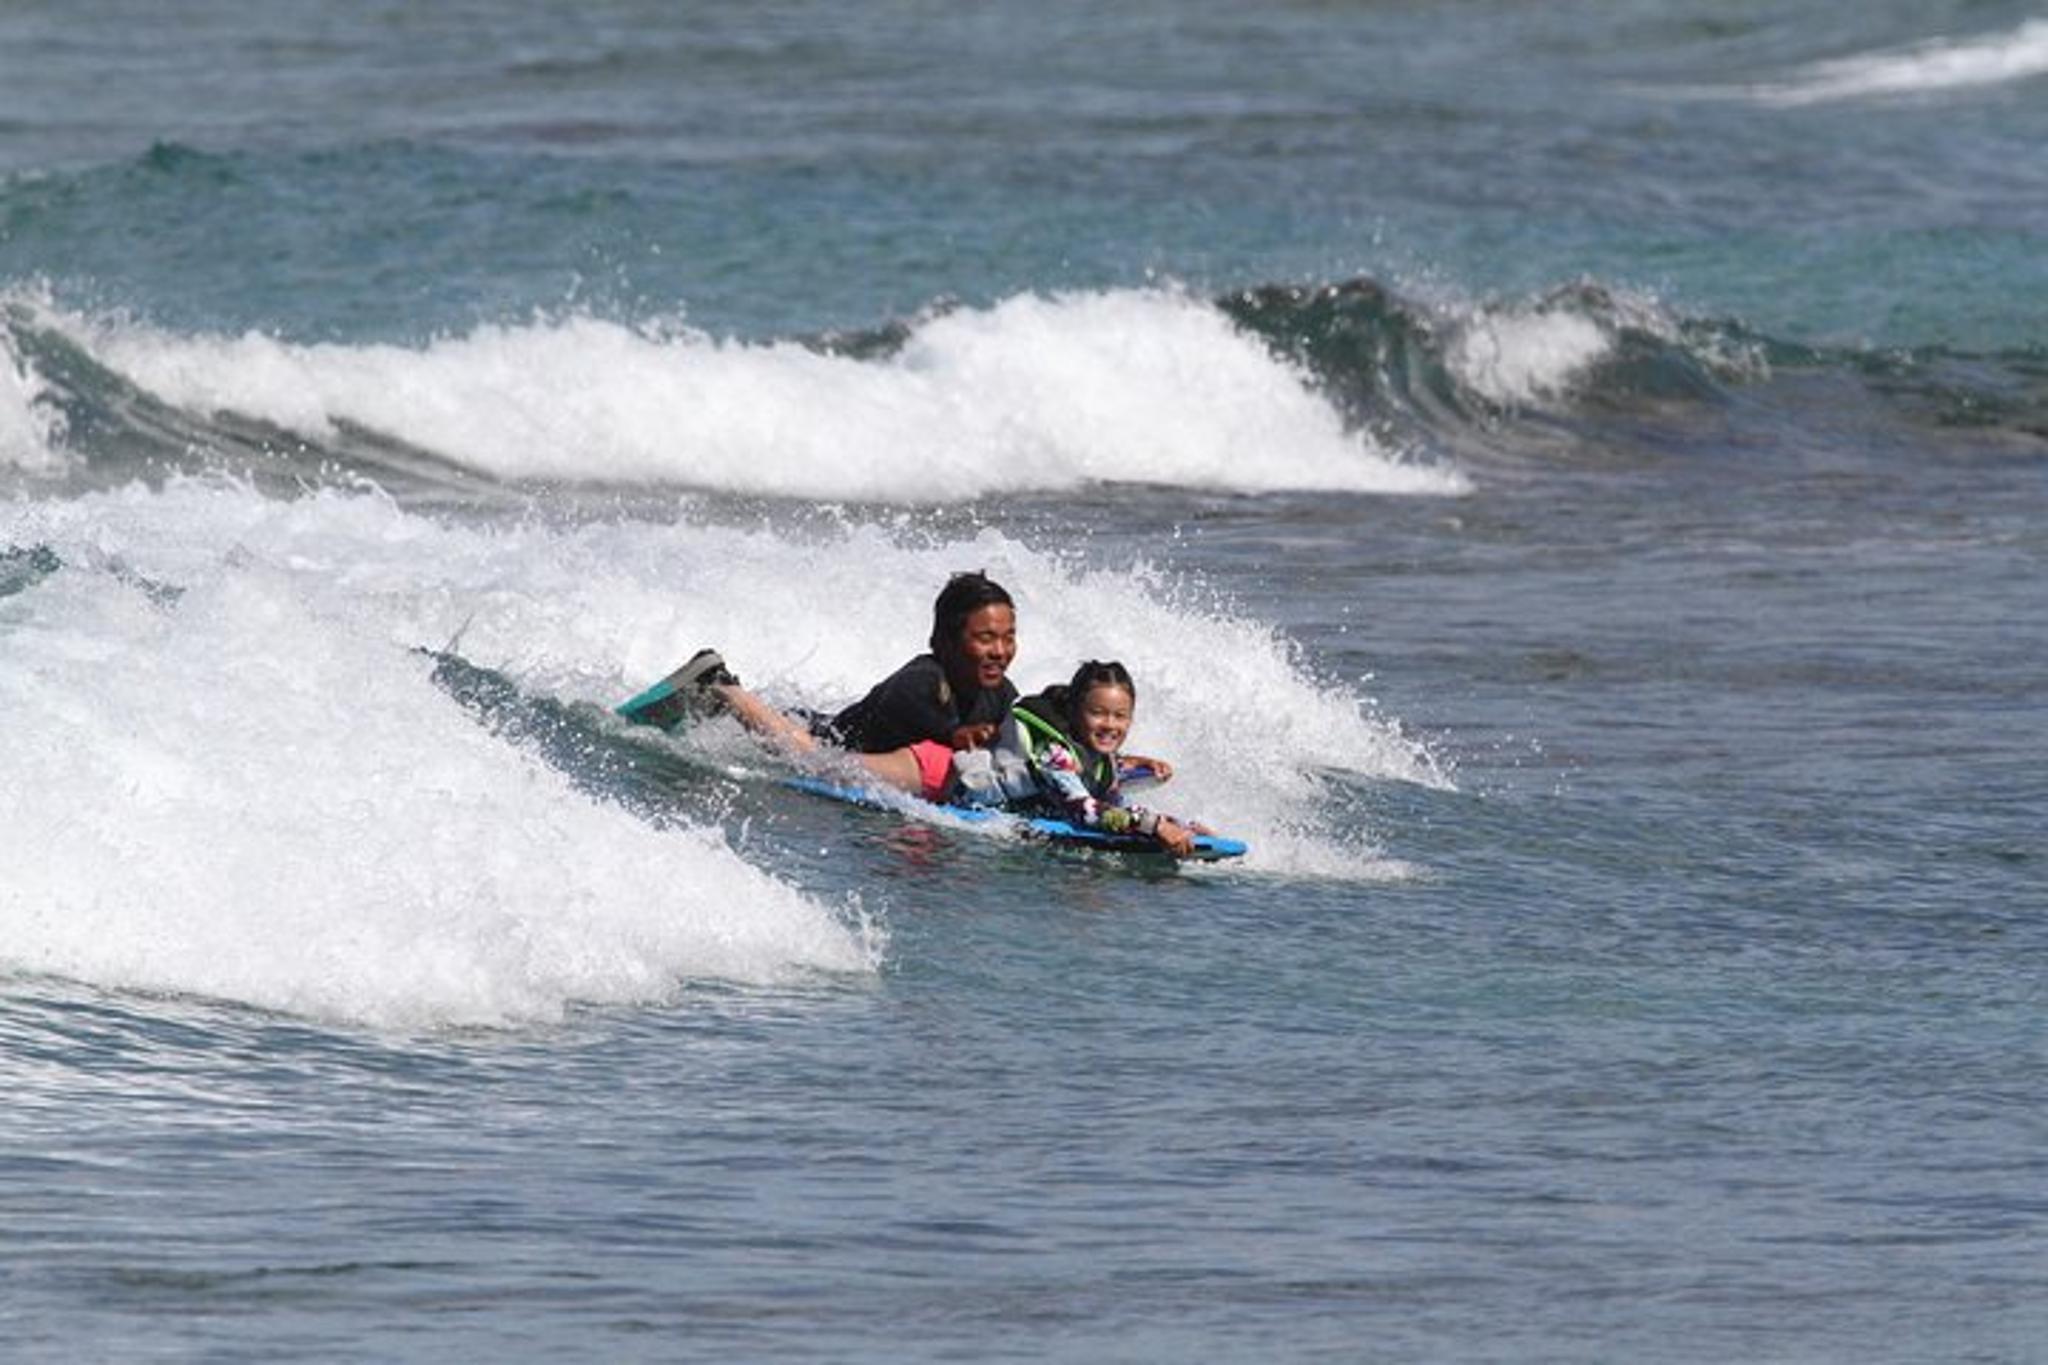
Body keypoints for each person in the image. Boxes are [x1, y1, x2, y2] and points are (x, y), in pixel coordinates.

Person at [646, 571, 1019, 801]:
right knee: (810, 757)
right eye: (985, 638)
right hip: (827, 742)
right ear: (945, 640)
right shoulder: (923, 680)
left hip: (841, 739)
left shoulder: (1001, 692)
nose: (1000, 651)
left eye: (1009, 637)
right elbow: (950, 738)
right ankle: (720, 688)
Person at [958, 658, 1205, 858]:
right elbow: (1087, 811)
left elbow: (1112, 802)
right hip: (979, 816)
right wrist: (1157, 825)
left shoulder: (1100, 757)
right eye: (1097, 713)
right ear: (1075, 711)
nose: (1110, 725)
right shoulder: (1054, 755)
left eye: (1120, 716)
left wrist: (1184, 826)